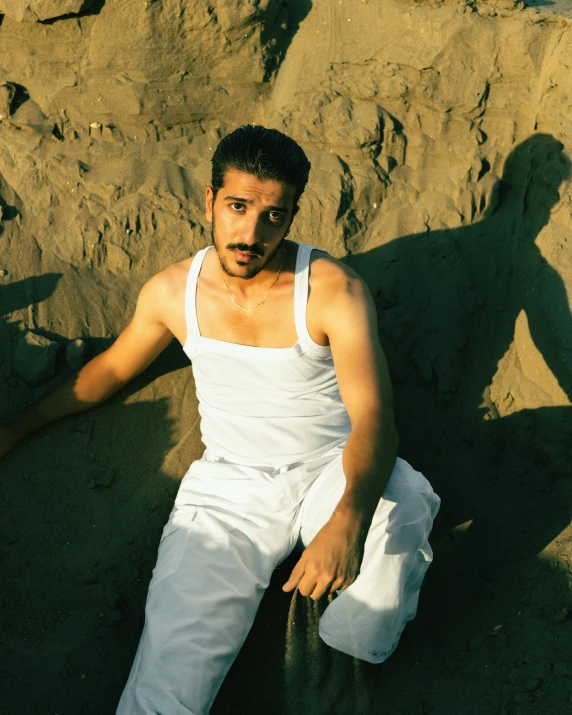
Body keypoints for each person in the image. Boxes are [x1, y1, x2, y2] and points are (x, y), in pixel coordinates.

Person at [0, 125, 440, 714]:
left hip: (328, 468)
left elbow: (375, 420)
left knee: (403, 502)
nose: (251, 234)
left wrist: (346, 522)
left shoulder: (332, 289)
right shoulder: (171, 293)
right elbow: (108, 373)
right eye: (237, 207)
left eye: (272, 216)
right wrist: (16, 427)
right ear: (209, 201)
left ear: (291, 216)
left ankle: (349, 650)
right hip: (229, 488)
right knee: (167, 680)